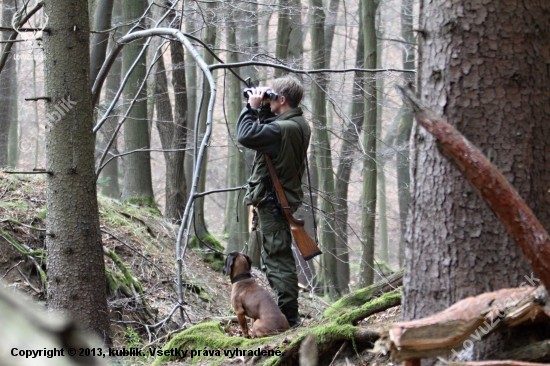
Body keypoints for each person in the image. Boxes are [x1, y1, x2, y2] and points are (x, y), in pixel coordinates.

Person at [236, 75, 311, 328]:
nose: (267, 99)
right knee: (277, 257)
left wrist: (252, 108)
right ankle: (285, 315)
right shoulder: (298, 124)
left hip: (273, 203)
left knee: (277, 260)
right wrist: (265, 108)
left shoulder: (283, 129)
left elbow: (246, 135)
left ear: (281, 99)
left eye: (271, 96)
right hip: (282, 200)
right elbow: (269, 136)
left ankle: (288, 318)